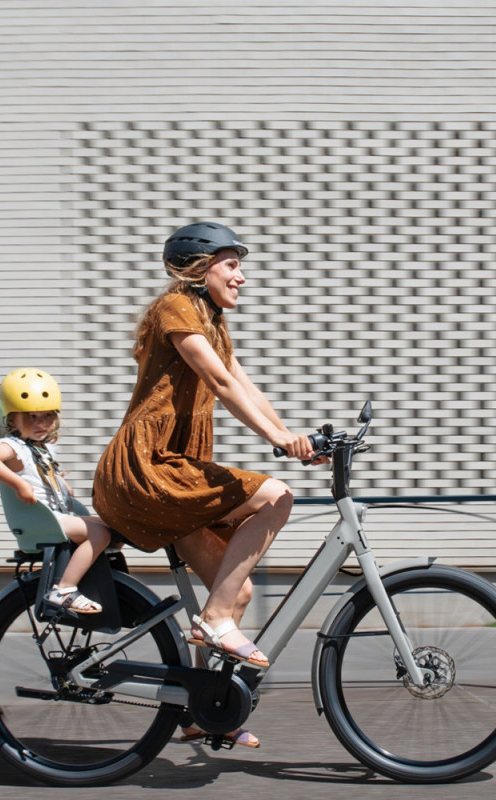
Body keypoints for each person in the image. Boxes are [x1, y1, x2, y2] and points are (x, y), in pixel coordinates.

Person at [92, 222, 317, 747]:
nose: (241, 277)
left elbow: (241, 382)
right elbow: (217, 381)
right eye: (232, 264)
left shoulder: (211, 320)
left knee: (235, 590)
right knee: (275, 495)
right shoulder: (177, 308)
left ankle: (200, 710)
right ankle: (212, 620)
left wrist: (292, 436)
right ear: (200, 267)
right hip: (148, 467)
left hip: (174, 471)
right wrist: (280, 442)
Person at [0, 368, 111, 614]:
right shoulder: (13, 446)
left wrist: (60, 483)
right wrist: (19, 485)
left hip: (57, 515)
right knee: (100, 535)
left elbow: (40, 476)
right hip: (43, 520)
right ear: (12, 420)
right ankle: (65, 589)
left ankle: (93, 582)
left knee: (111, 528)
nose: (41, 423)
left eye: (48, 416)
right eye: (32, 417)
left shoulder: (40, 448)